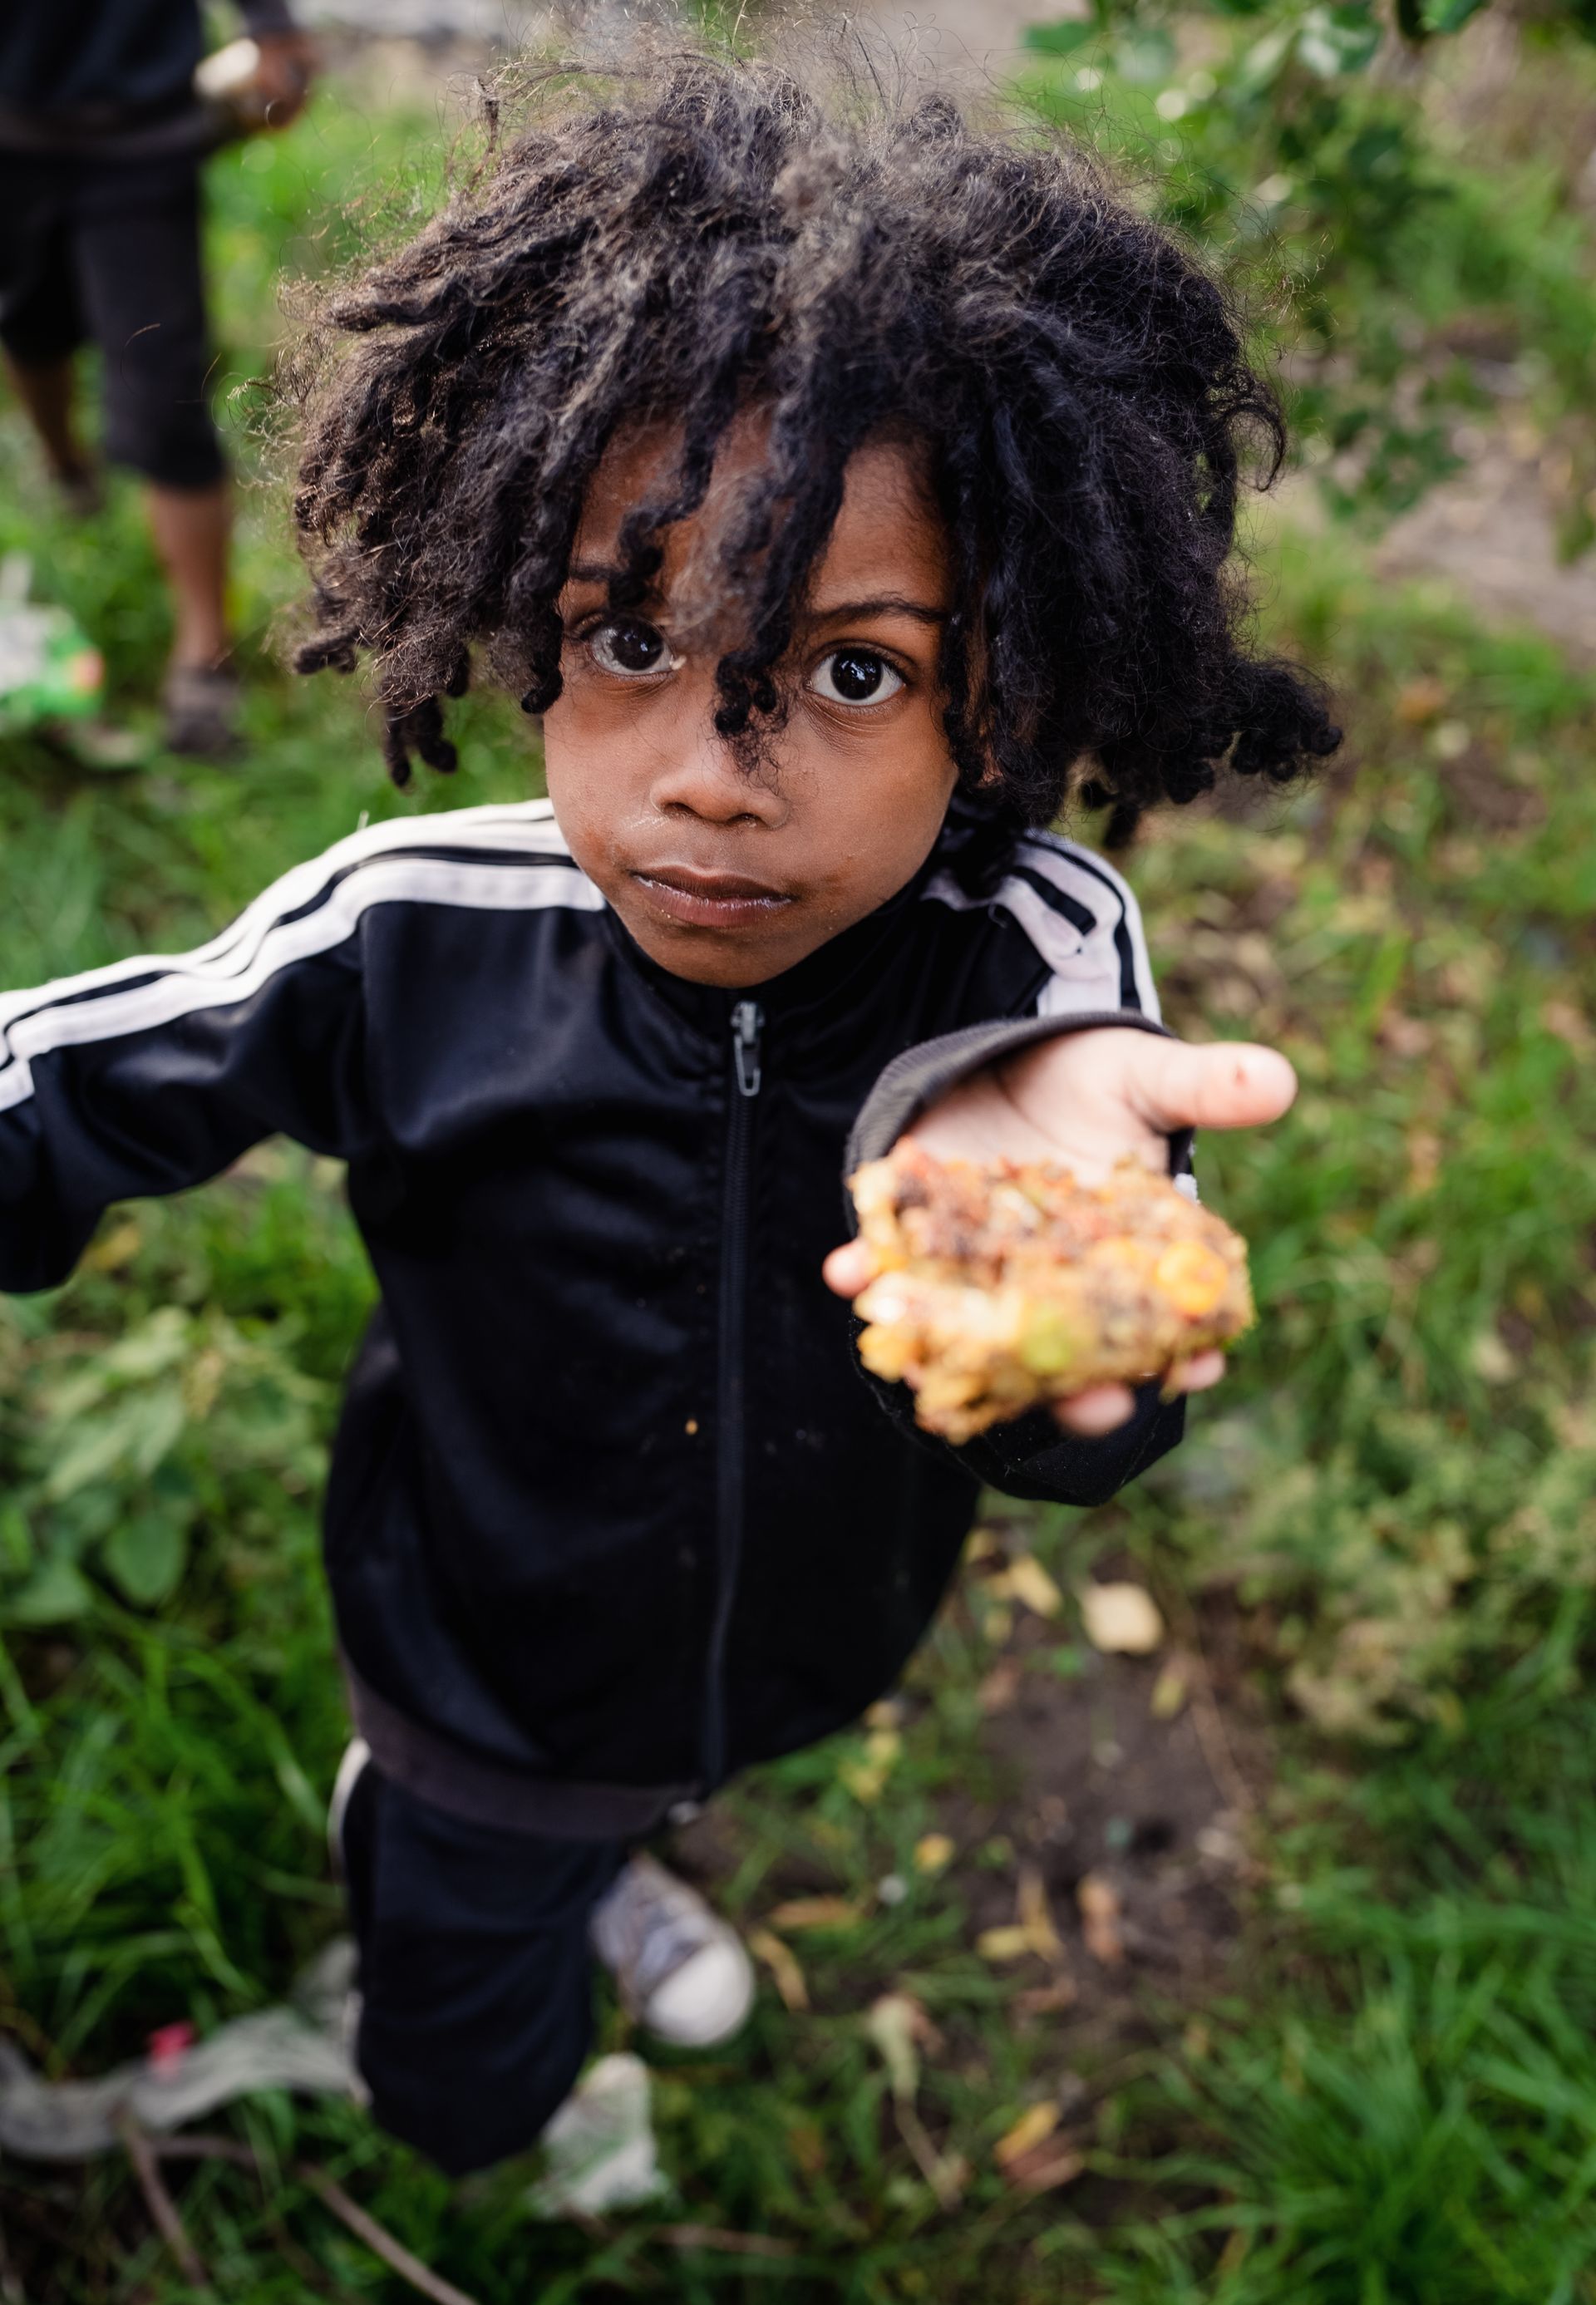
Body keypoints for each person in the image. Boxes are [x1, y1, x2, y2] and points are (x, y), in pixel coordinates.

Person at [0, 57, 1338, 2177]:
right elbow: (56, 1088)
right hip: (482, 1676)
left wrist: (1079, 1335)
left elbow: (1100, 1350)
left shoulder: (1034, 961)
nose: (716, 772)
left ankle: (633, 1846)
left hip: (800, 1632)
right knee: (457, 2081)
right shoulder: (408, 938)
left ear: (1007, 679)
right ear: (508, 598)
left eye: (854, 671)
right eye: (630, 635)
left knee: (667, 1772)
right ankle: (461, 2031)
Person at [0, 0, 317, 753]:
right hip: (8, 128)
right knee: (27, 328)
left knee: (167, 390)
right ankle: (67, 466)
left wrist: (269, 26)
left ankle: (204, 656)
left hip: (141, 130)